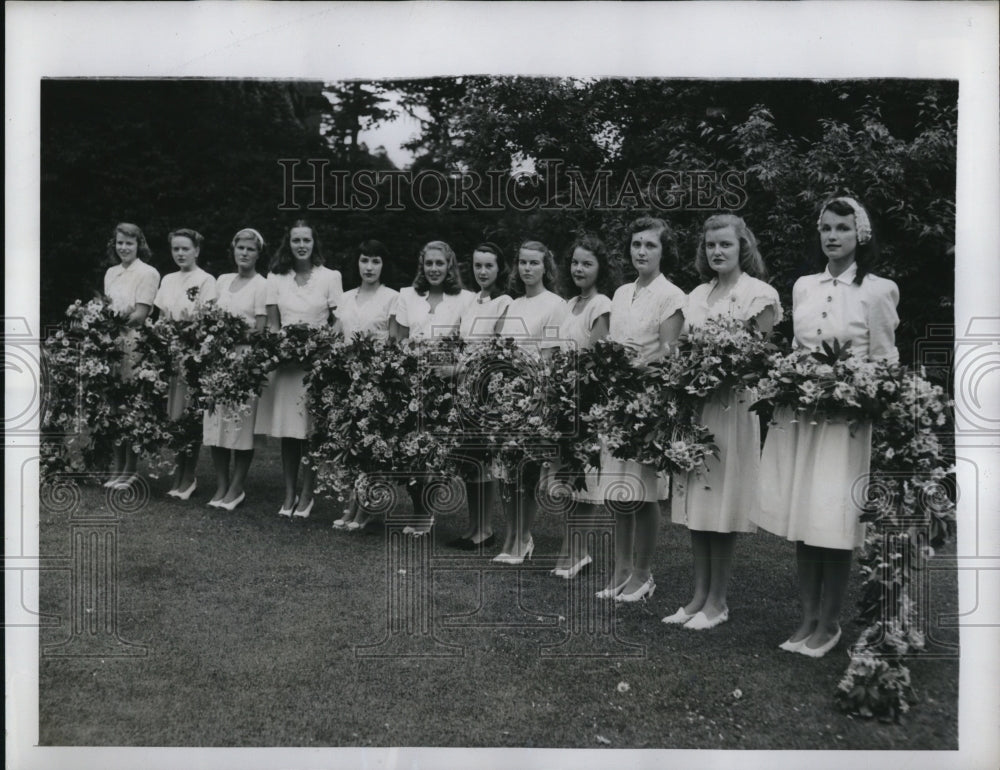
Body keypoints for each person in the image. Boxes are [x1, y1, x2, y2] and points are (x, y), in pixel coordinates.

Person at [753, 196, 899, 658]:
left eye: (842, 228)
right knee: (804, 518)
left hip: (844, 426)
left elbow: (885, 362)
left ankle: (830, 623)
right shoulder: (803, 286)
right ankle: (807, 619)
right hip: (802, 419)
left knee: (832, 520)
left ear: (861, 235)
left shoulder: (877, 290)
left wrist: (856, 388)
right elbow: (797, 348)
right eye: (825, 228)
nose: (832, 236)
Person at [665, 214, 781, 630]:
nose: (717, 251)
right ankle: (697, 595)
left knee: (723, 499)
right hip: (697, 406)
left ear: (742, 247)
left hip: (732, 407)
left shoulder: (759, 294)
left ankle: (718, 600)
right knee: (697, 499)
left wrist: (712, 370)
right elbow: (678, 346)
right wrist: (685, 373)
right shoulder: (697, 294)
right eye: (711, 245)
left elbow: (756, 358)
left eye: (725, 245)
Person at [599, 217, 685, 602]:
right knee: (619, 490)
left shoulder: (671, 296)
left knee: (644, 491)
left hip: (649, 403)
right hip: (617, 401)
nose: (642, 252)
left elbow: (671, 359)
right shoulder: (619, 293)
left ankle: (643, 574)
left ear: (663, 251)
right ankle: (620, 569)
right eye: (636, 245)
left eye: (650, 245)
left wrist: (637, 368)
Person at [256, 220, 342, 518]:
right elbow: (273, 323)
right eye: (296, 241)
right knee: (289, 434)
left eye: (306, 240)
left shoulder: (330, 277)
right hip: (287, 366)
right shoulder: (275, 278)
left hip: (315, 366)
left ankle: (307, 493)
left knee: (310, 433)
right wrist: (284, 349)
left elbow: (337, 321)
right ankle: (289, 492)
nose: (301, 245)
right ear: (288, 244)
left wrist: (319, 350)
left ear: (314, 243)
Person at [389, 240, 474, 536]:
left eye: (440, 263)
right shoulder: (407, 296)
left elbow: (468, 345)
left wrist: (442, 364)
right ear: (422, 266)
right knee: (410, 449)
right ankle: (419, 509)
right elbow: (397, 339)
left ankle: (429, 509)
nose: (434, 269)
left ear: (450, 265)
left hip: (447, 384)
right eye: (429, 263)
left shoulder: (466, 298)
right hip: (410, 383)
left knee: (437, 451)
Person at [492, 240, 567, 565]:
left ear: (545, 266)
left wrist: (537, 400)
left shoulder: (555, 304)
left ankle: (523, 538)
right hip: (503, 396)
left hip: (532, 397)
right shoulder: (513, 304)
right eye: (522, 262)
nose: (527, 268)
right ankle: (511, 534)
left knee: (525, 472)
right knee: (504, 473)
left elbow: (550, 359)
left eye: (534, 263)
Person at [549, 234, 616, 578]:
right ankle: (573, 550)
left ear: (600, 268)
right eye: (575, 262)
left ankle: (576, 552)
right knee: (568, 478)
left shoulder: (600, 304)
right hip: (564, 399)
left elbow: (599, 360)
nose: (579, 268)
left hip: (588, 402)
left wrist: (576, 394)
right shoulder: (568, 303)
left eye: (587, 263)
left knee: (585, 479)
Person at [446, 242, 512, 550]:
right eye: (477, 266)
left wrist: (462, 368)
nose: (482, 271)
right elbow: (460, 339)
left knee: (483, 459)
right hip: (463, 387)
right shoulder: (472, 301)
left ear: (500, 268)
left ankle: (484, 529)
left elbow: (496, 349)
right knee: (469, 460)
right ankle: (473, 526)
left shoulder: (504, 302)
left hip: (485, 388)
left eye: (488, 265)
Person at [331, 239, 399, 531]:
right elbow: (334, 336)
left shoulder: (392, 298)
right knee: (351, 445)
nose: (369, 267)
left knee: (371, 445)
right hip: (348, 379)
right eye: (364, 260)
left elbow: (394, 342)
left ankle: (366, 510)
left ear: (384, 265)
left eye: (376, 261)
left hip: (376, 381)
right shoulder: (345, 297)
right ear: (357, 263)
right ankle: (351, 507)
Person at [202, 228, 268, 511]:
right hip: (218, 359)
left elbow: (262, 330)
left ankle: (237, 487)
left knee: (240, 425)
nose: (244, 253)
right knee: (215, 423)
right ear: (233, 250)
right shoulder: (222, 280)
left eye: (250, 249)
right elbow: (210, 317)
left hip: (244, 361)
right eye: (240, 247)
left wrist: (234, 333)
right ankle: (221, 484)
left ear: (258, 254)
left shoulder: (262, 285)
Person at [154, 228, 218, 499]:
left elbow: (207, 321)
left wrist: (187, 337)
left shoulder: (206, 280)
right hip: (171, 354)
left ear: (197, 251)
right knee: (175, 415)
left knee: (190, 415)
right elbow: (159, 318)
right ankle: (179, 474)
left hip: (193, 356)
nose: (180, 253)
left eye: (185, 248)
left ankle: (189, 476)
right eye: (175, 249)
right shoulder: (168, 279)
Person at [102, 222, 160, 489]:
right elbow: (105, 309)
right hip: (109, 345)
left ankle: (130, 469)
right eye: (120, 242)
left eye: (129, 243)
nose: (123, 247)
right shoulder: (111, 273)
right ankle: (117, 467)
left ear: (139, 245)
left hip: (134, 345)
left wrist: (113, 322)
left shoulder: (148, 273)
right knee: (113, 406)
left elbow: (140, 314)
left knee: (131, 407)